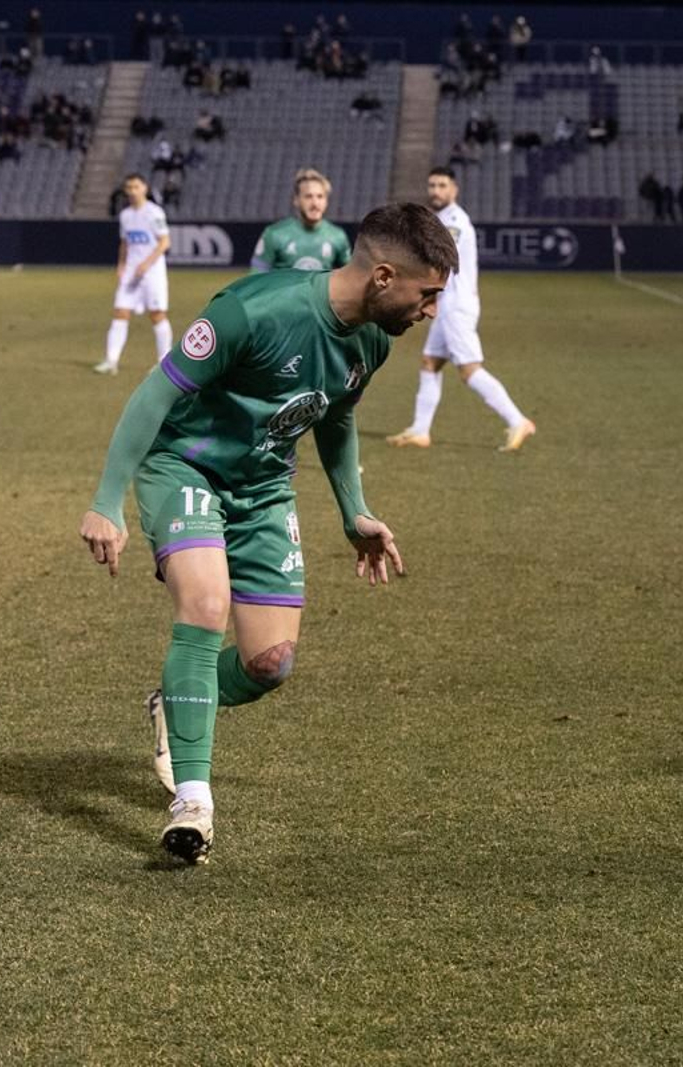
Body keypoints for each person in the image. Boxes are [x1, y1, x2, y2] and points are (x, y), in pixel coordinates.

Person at [78, 202, 457, 864]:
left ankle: (175, 699)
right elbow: (154, 394)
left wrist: (354, 511)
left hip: (262, 489)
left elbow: (333, 415)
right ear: (385, 276)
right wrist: (106, 500)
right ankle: (192, 801)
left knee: (269, 664)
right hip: (185, 465)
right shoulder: (253, 309)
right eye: (427, 295)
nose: (429, 311)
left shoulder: (372, 340)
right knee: (204, 603)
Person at [386, 168, 537, 453]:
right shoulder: (441, 219)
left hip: (457, 306)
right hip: (448, 305)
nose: (436, 190)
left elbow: (435, 257)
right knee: (430, 363)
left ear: (454, 189)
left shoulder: (454, 220)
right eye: (432, 185)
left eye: (442, 185)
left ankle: (518, 421)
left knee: (469, 371)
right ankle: (420, 430)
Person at [94, 174, 172, 375]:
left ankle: (165, 364)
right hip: (131, 271)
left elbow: (165, 242)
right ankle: (111, 361)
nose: (131, 191)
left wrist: (147, 263)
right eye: (128, 187)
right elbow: (125, 243)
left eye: (135, 187)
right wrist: (121, 265)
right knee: (120, 312)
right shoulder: (126, 215)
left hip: (152, 272)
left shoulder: (154, 213)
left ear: (144, 188)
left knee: (157, 315)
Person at [251, 168, 352, 273]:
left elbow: (350, 279)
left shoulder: (338, 236)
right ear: (296, 200)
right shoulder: (274, 234)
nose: (315, 203)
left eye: (320, 197)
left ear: (326, 201)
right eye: (308, 197)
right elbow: (255, 278)